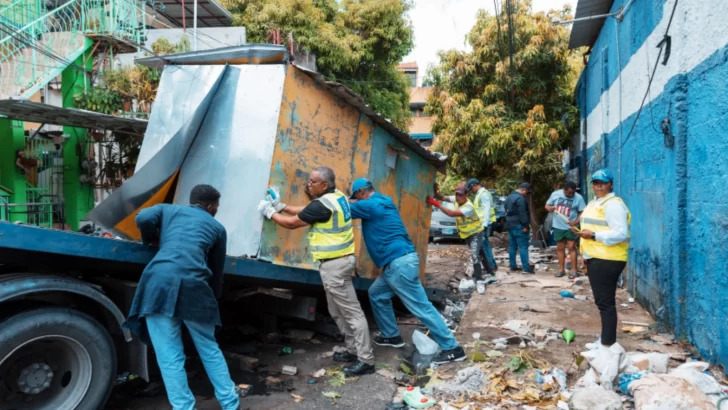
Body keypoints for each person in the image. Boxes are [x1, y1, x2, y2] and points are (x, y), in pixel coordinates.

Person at [124, 184, 239, 410]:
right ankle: (230, 404)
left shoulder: (168, 210)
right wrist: (213, 300)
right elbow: (216, 270)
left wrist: (152, 239)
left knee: (169, 356)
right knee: (209, 348)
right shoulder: (217, 227)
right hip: (194, 288)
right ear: (209, 206)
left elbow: (144, 216)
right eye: (216, 206)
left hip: (157, 285)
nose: (217, 210)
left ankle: (184, 408)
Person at [258, 167, 375, 377]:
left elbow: (292, 223)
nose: (308, 184)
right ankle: (352, 350)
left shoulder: (323, 204)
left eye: (313, 182)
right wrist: (282, 206)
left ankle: (366, 360)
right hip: (338, 263)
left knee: (352, 313)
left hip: (335, 266)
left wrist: (270, 212)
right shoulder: (336, 197)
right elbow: (306, 209)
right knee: (337, 311)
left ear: (324, 185)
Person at [350, 178, 465, 364]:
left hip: (399, 265)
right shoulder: (384, 200)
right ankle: (391, 336)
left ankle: (452, 348)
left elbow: (340, 208)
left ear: (362, 193)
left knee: (421, 306)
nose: (358, 200)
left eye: (357, 196)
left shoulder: (369, 206)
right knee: (376, 294)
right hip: (398, 263)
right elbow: (356, 203)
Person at [571, 169, 630, 348]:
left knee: (605, 303)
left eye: (603, 182)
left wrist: (593, 235)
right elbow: (590, 228)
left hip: (608, 259)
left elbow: (621, 233)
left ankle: (607, 345)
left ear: (610, 184)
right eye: (596, 182)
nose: (599, 185)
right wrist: (585, 252)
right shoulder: (595, 203)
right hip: (596, 256)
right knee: (602, 301)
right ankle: (605, 340)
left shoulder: (612, 204)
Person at [428, 185, 490, 279]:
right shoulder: (456, 199)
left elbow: (451, 213)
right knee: (480, 254)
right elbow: (443, 197)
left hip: (476, 233)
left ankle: (479, 279)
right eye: (457, 195)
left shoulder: (468, 207)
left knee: (474, 255)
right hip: (469, 234)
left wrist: (436, 204)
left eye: (460, 195)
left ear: (466, 195)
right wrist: (436, 193)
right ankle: (490, 272)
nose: (458, 197)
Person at [545, 181, 586, 279]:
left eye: (572, 193)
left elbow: (583, 211)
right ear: (564, 190)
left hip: (570, 227)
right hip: (558, 226)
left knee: (572, 247)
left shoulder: (578, 198)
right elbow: (547, 205)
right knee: (560, 248)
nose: (571, 195)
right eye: (568, 193)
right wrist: (549, 208)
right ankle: (561, 270)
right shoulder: (555, 194)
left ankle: (574, 271)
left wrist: (576, 221)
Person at [466, 178, 498, 272]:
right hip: (482, 224)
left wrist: (484, 224)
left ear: (474, 185)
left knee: (484, 246)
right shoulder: (479, 194)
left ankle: (491, 267)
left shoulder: (483, 194)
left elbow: (486, 209)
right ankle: (492, 265)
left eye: (471, 189)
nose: (471, 191)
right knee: (485, 245)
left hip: (484, 224)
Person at [504, 182, 534, 274]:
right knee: (523, 247)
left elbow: (506, 210)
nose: (527, 195)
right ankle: (526, 268)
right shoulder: (520, 198)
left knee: (512, 246)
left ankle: (513, 266)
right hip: (519, 225)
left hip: (510, 224)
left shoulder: (508, 197)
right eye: (527, 192)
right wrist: (525, 225)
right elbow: (522, 213)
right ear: (523, 190)